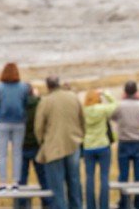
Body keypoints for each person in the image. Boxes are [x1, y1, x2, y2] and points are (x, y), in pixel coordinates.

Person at [36, 76, 84, 209]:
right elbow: (82, 119)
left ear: (48, 86)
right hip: (73, 144)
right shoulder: (73, 97)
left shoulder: (45, 101)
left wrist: (43, 142)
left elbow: (38, 127)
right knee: (74, 184)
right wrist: (80, 137)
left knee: (57, 189)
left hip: (53, 147)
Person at [113, 81, 139, 209]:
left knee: (123, 174)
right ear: (136, 91)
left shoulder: (120, 105)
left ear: (125, 91)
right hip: (138, 141)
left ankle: (123, 201)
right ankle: (138, 201)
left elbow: (113, 117)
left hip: (124, 141)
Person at [0, 62, 31, 190]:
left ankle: (3, 182)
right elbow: (26, 103)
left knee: (2, 153)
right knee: (17, 153)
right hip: (19, 122)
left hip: (3, 122)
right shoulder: (23, 87)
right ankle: (16, 182)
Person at [82, 89, 118, 209]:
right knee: (104, 177)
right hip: (103, 145)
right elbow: (115, 105)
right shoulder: (101, 109)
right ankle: (104, 205)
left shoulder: (83, 111)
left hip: (88, 146)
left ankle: (90, 206)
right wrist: (105, 93)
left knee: (89, 177)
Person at [18, 83, 51, 209]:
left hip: (22, 145)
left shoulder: (20, 105)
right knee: (43, 177)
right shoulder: (38, 103)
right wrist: (37, 96)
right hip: (37, 145)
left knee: (22, 179)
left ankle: (21, 204)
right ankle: (47, 203)